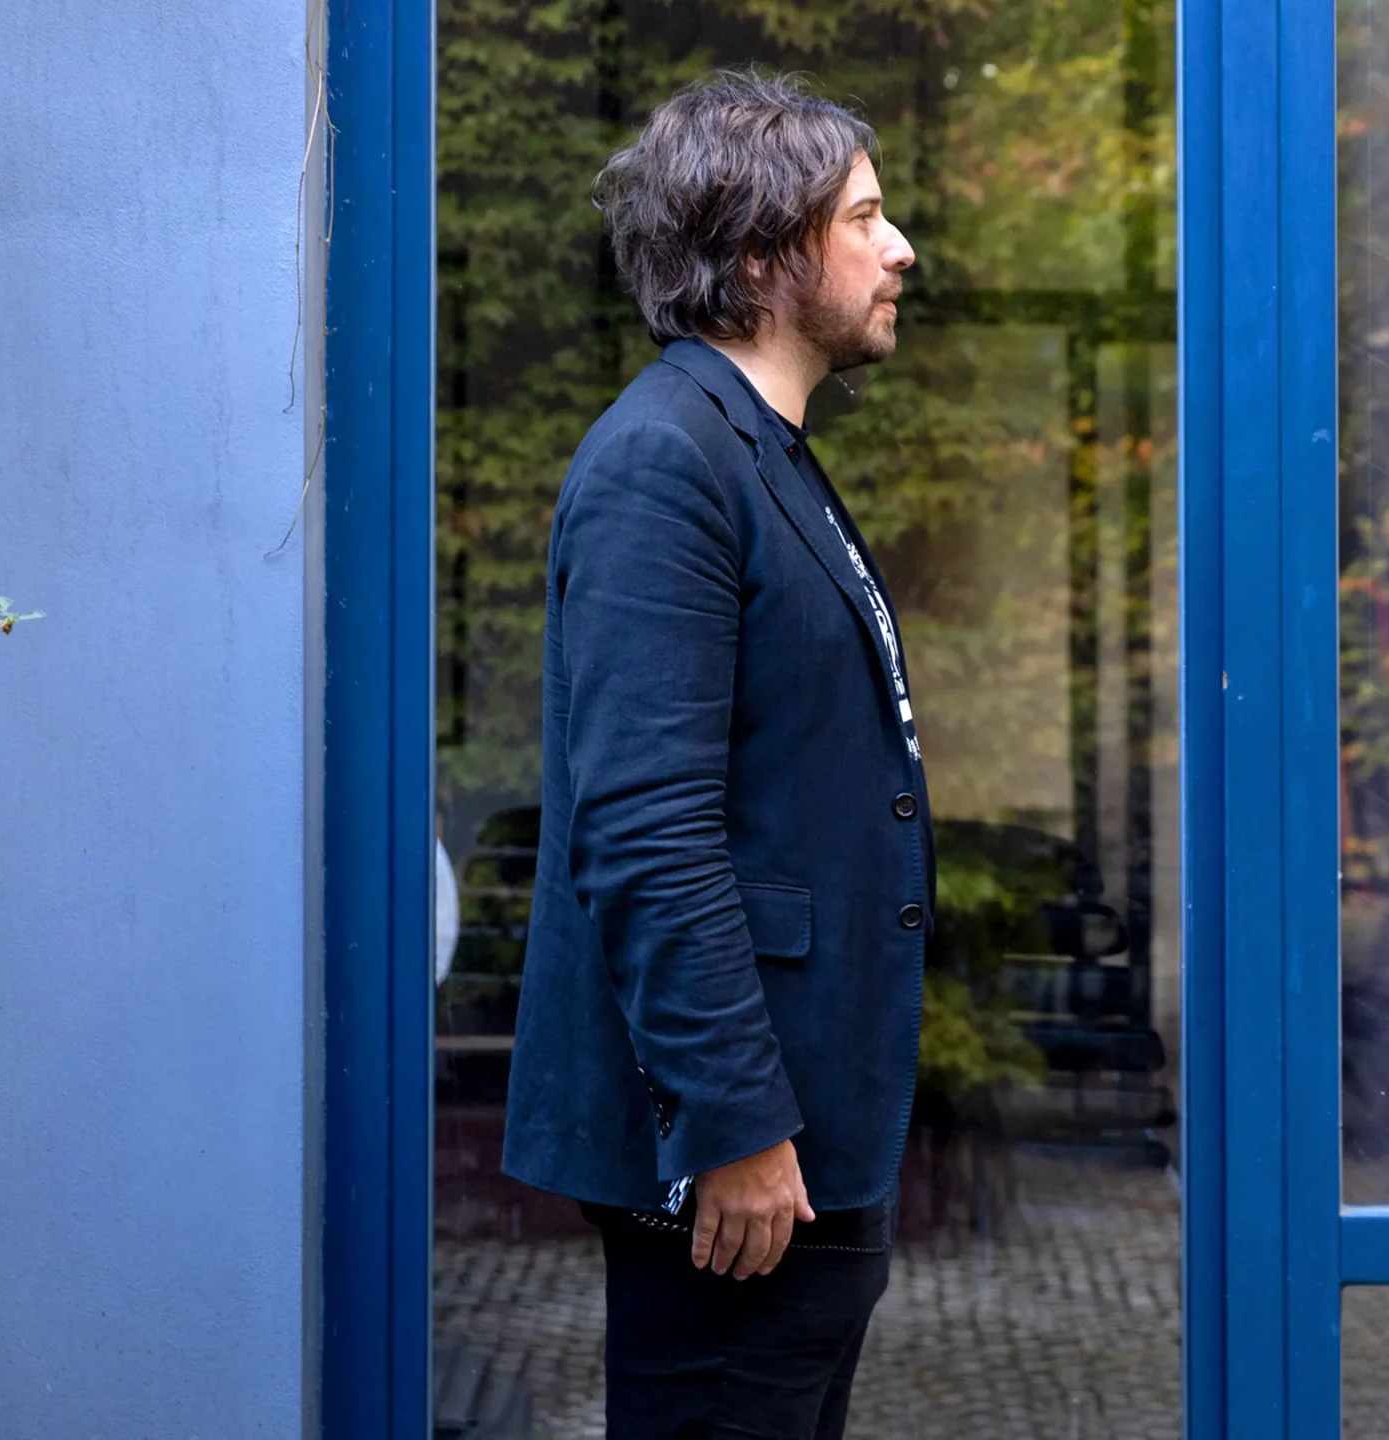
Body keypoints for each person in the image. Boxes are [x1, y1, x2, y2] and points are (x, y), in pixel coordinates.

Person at [501, 69, 928, 1440]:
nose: (901, 246)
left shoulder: (765, 456)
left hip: (801, 1142)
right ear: (759, 257)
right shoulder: (664, 464)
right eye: (865, 217)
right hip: (742, 1163)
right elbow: (644, 825)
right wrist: (734, 1126)